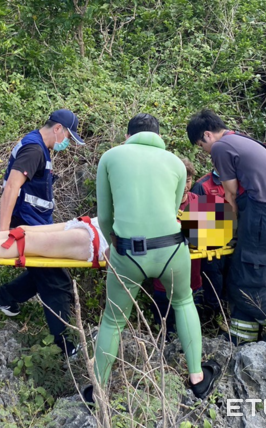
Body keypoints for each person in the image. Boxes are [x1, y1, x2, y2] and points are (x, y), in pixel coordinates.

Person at [83, 113, 221, 404]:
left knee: (113, 320)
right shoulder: (175, 162)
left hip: (128, 252)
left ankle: (99, 391)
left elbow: (106, 216)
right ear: (159, 136)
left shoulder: (110, 157)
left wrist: (112, 244)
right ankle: (197, 377)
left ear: (127, 135)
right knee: (184, 302)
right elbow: (172, 213)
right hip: (171, 248)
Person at [187, 109, 266, 347]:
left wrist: (230, 230)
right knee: (242, 279)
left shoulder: (221, 147)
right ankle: (240, 340)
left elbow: (230, 194)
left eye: (201, 145)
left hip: (263, 220)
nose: (206, 152)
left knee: (244, 285)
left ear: (207, 135)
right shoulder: (244, 140)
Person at [0, 109, 85, 358]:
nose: (68, 142)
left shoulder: (39, 148)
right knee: (56, 282)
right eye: (69, 135)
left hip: (36, 225)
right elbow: (12, 188)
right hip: (25, 227)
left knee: (44, 273)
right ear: (58, 128)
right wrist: (3, 233)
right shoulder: (35, 150)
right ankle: (66, 346)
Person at [151, 158, 204, 337]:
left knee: (190, 328)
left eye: (188, 180)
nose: (185, 185)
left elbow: (207, 237)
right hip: (162, 281)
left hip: (192, 280)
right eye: (181, 180)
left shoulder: (199, 203)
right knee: (166, 328)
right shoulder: (159, 204)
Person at [190, 169, 240, 322]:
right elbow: (194, 221)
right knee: (213, 283)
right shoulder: (202, 185)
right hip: (211, 248)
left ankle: (228, 316)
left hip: (234, 244)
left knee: (230, 282)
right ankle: (211, 320)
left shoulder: (239, 182)